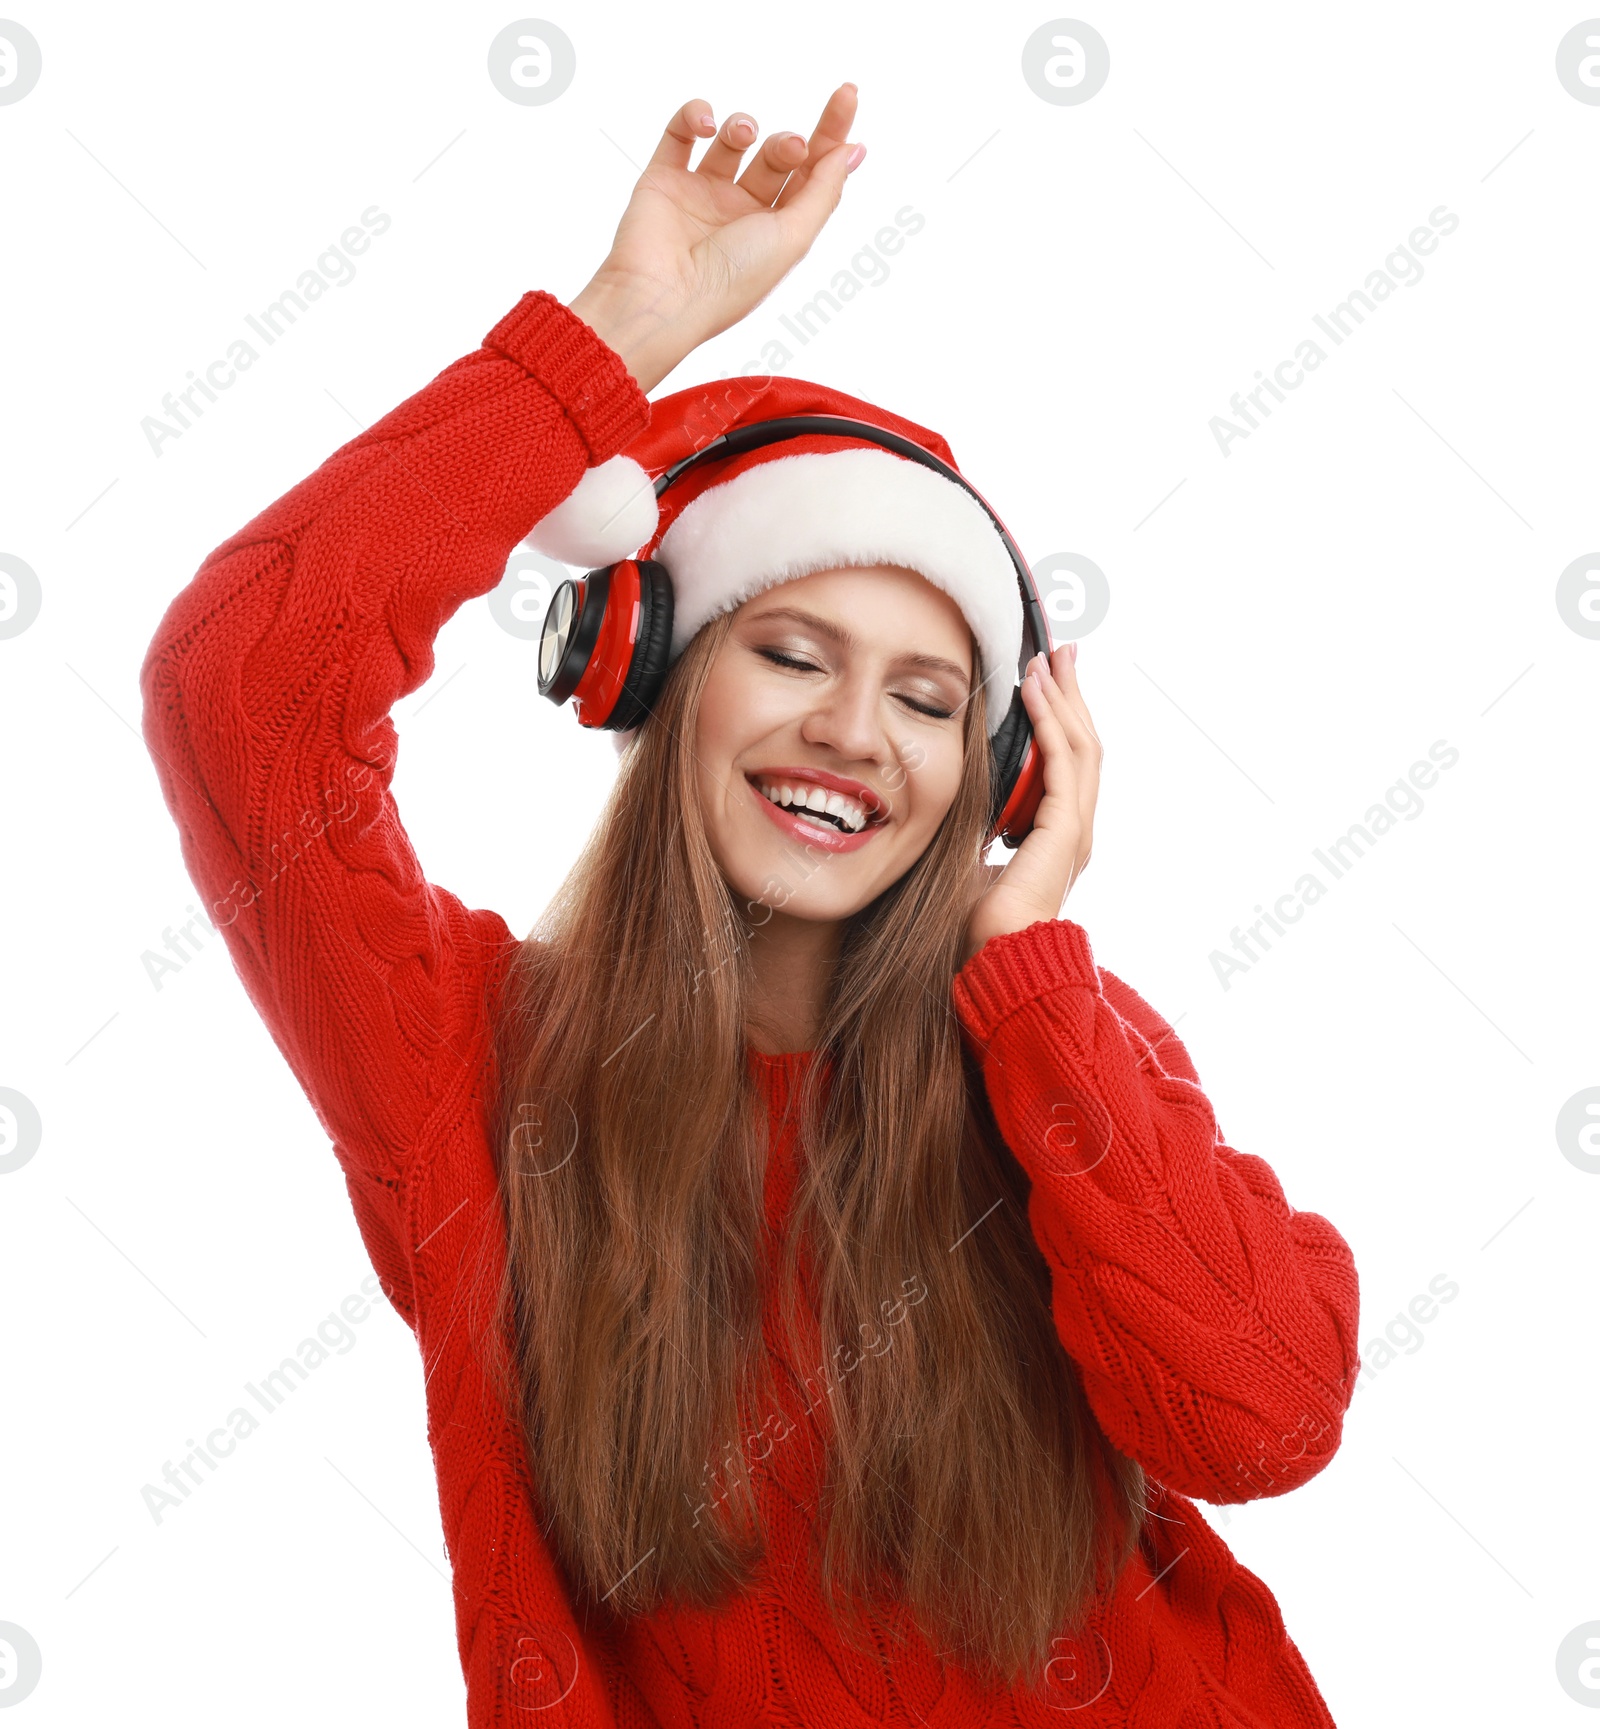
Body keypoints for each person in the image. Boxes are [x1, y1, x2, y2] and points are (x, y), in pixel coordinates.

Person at [140, 82, 1360, 1729]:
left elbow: (1265, 1421)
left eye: (931, 700)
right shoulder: (472, 1067)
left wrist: (1038, 981)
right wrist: (607, 342)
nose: (853, 732)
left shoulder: (1048, 1045)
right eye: (789, 655)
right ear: (657, 677)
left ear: (998, 770)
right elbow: (247, 691)